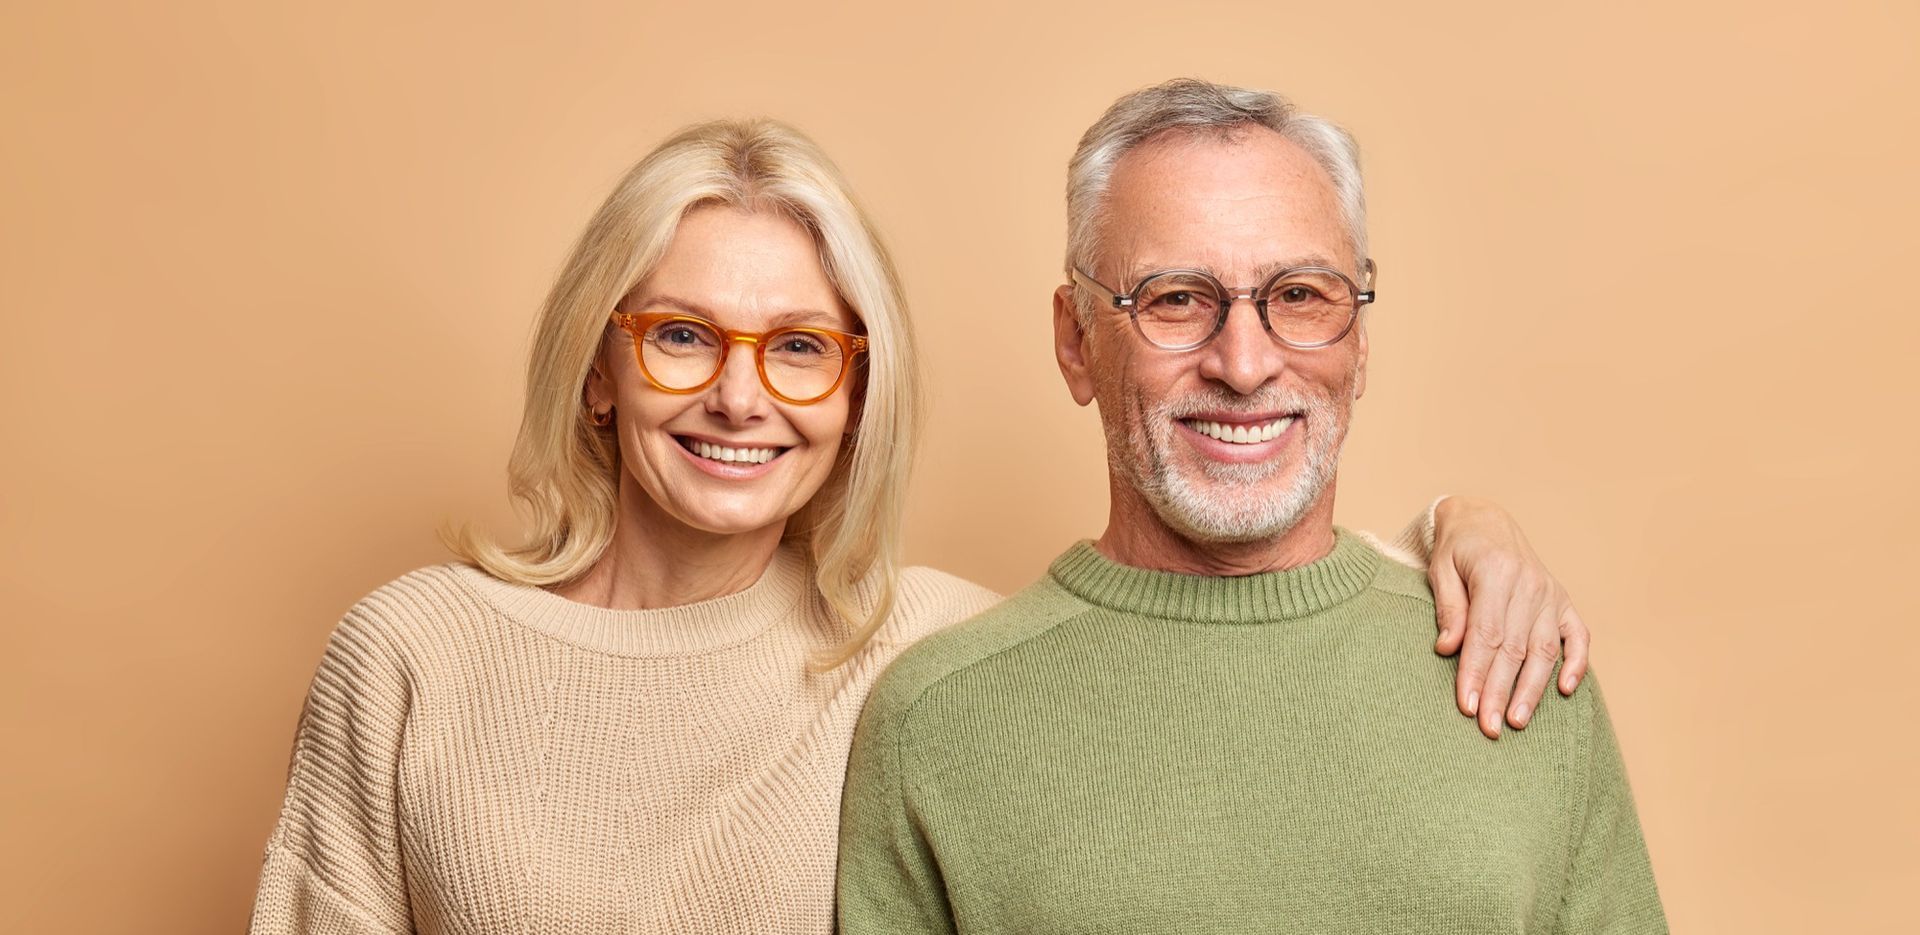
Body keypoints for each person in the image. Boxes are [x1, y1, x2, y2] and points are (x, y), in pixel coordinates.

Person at [249, 117, 1596, 935]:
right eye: (678, 335)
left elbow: (1215, 620)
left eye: (798, 347)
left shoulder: (928, 651)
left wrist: (1457, 533)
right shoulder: (416, 653)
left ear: (856, 388)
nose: (736, 395)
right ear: (595, 368)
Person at [837, 80, 1667, 933]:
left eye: (1301, 295)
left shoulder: (1518, 658)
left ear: (1362, 338)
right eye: (1176, 297)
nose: (1243, 363)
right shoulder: (934, 724)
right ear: (1076, 339)